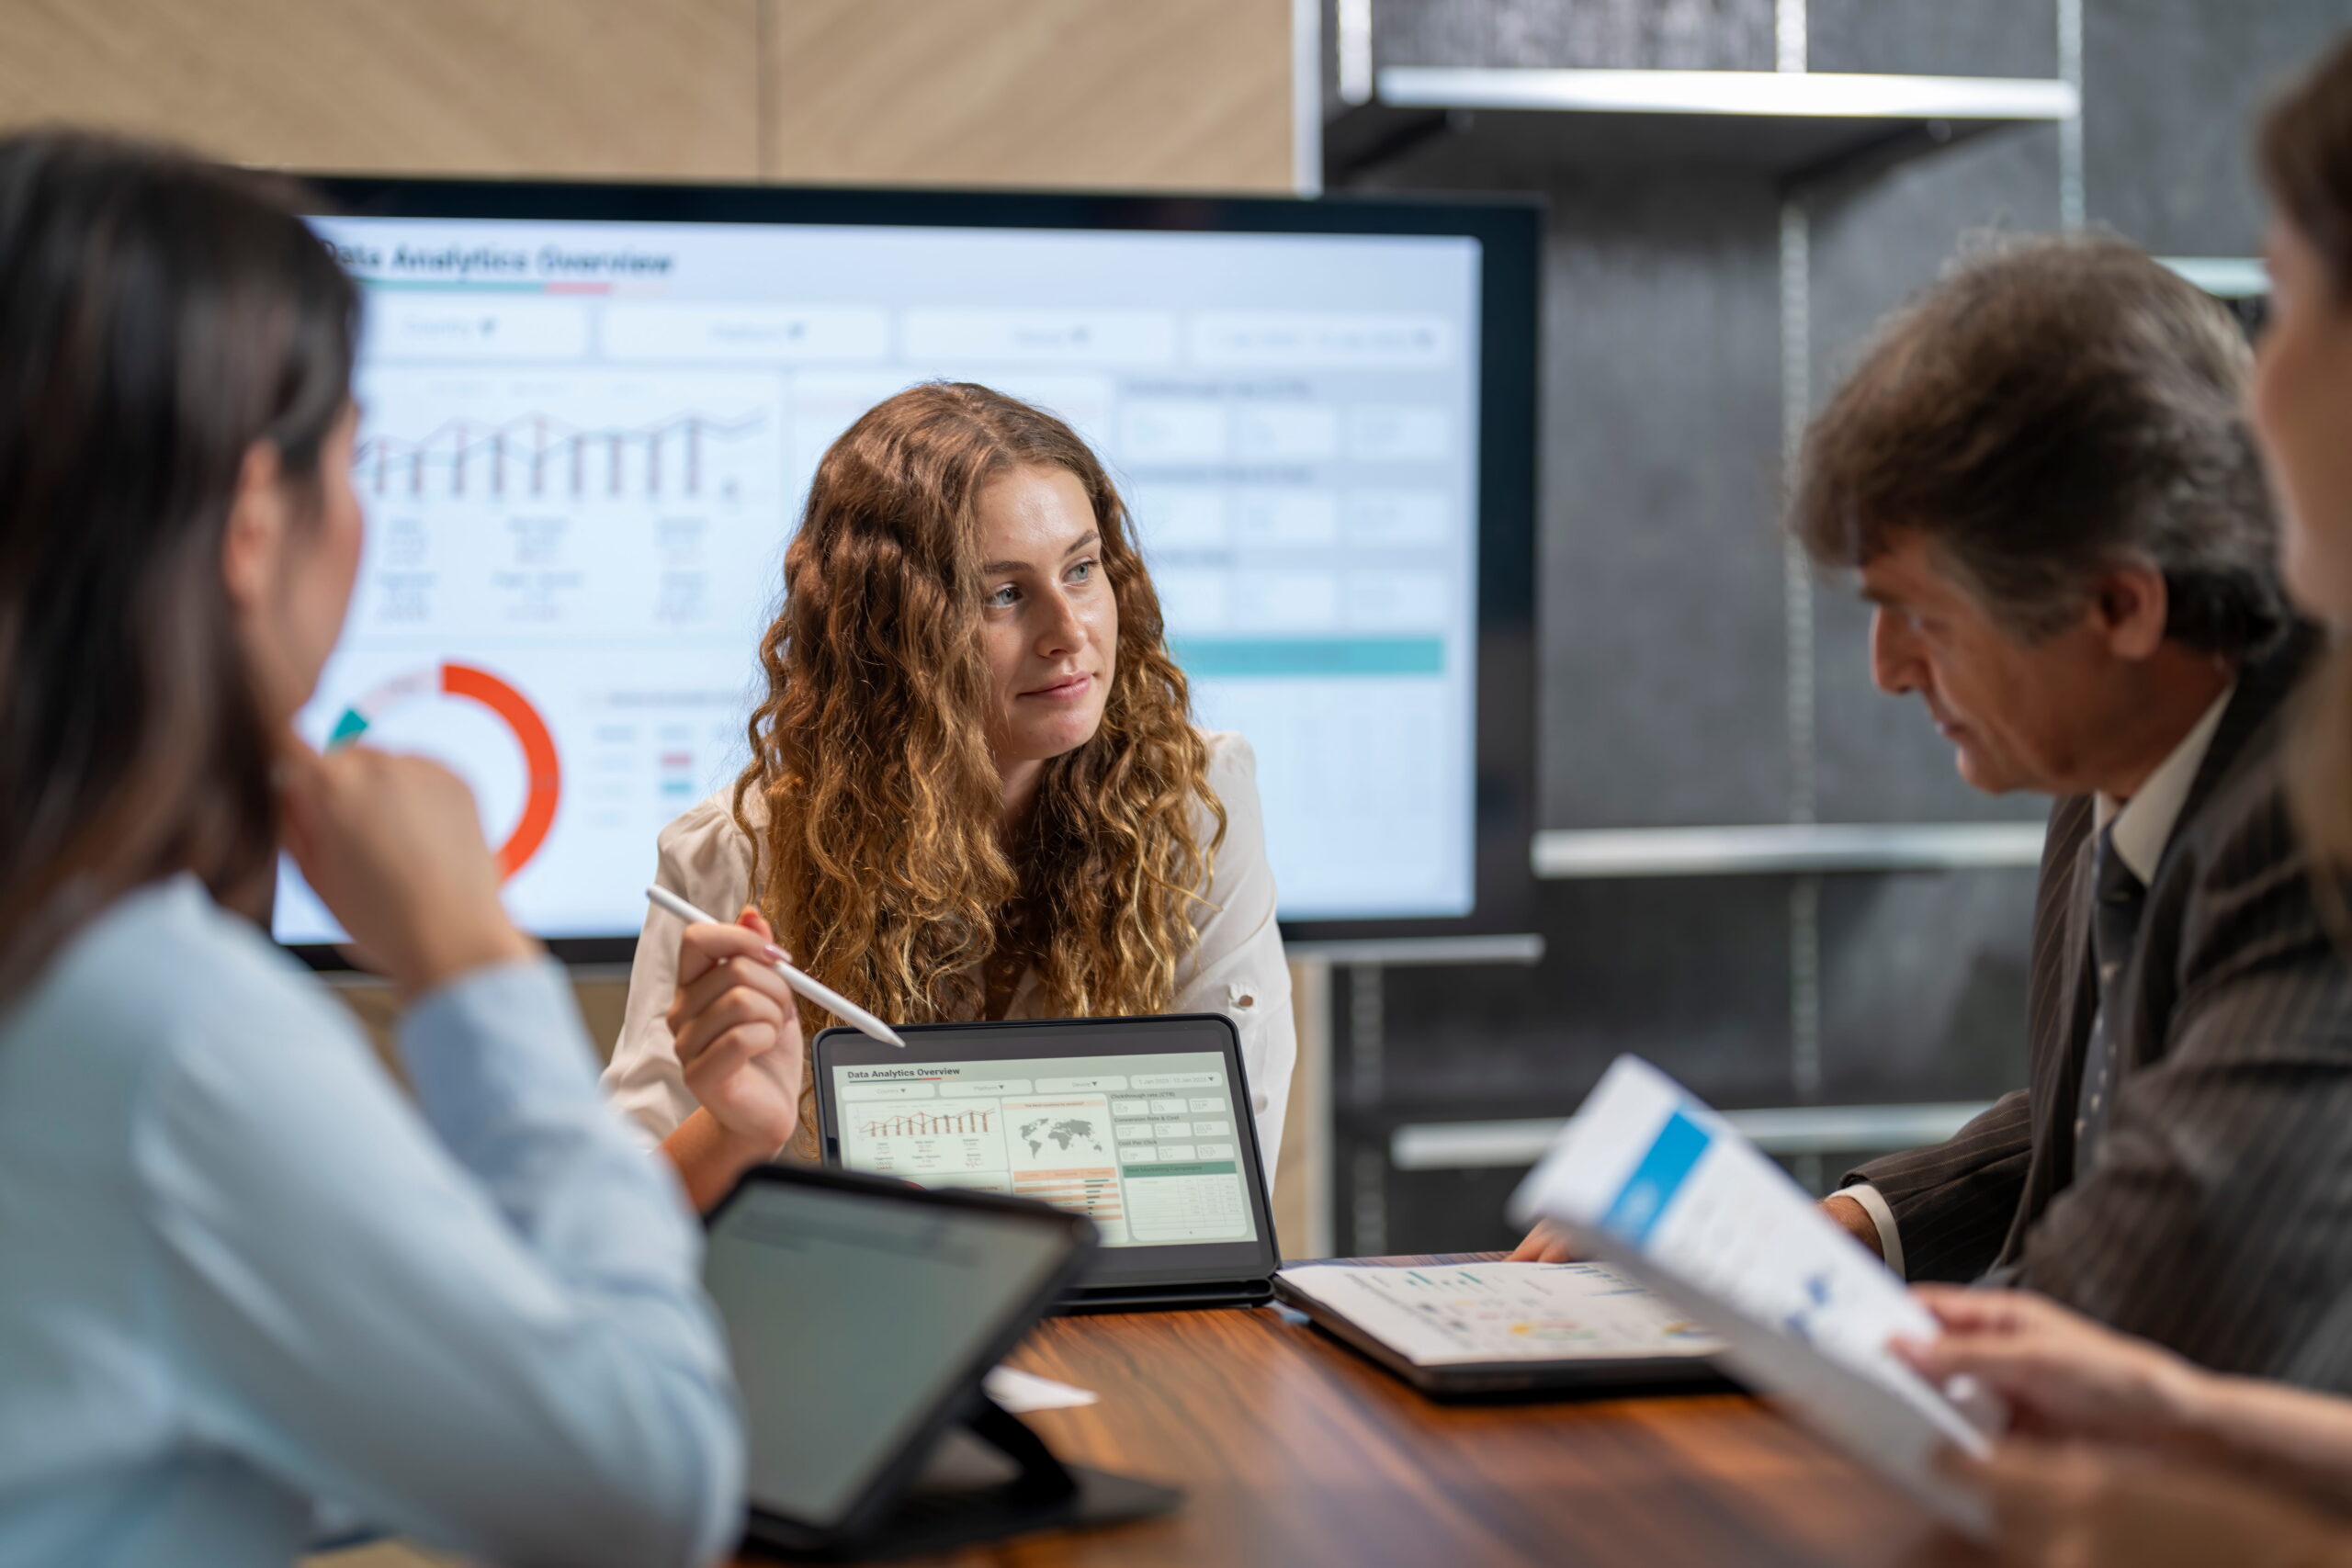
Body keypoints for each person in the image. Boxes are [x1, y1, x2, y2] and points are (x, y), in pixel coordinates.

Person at [0, 133, 741, 1567]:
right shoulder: (158, 1027)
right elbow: (647, 1484)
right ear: (252, 518)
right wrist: (473, 959)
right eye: (355, 456)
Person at [1522, 232, 2352, 1387]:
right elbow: (2132, 1115)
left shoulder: (2313, 821)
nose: (1886, 670)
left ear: (2119, 604)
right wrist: (1838, 1234)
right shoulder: (2109, 755)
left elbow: (2151, 1281)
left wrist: (1787, 1319)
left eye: (1920, 614)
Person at [1871, 31, 2352, 1566]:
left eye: (2292, 307)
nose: (2249, 398)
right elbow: (2151, 1094)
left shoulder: (2314, 797)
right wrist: (1871, 1226)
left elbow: (2173, 1254)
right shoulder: (2112, 767)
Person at [604, 382, 1295, 1210]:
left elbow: (1218, 1176)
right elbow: (614, 1233)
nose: (1070, 633)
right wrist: (737, 1127)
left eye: (1081, 570)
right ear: (890, 630)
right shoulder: (734, 852)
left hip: (1121, 1324)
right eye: (1002, 593)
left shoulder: (1190, 800)